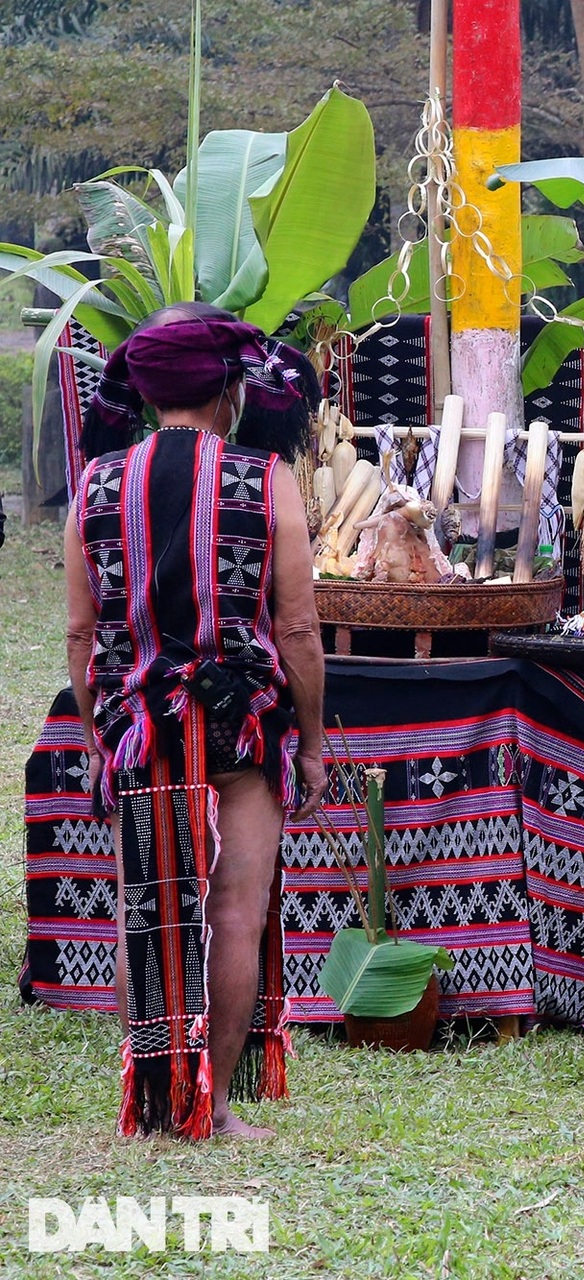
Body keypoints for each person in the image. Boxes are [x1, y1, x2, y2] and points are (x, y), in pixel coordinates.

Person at [65, 304, 327, 1140]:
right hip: (242, 724)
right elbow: (297, 628)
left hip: (141, 725)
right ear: (228, 391)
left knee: (148, 910)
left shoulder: (96, 483)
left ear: (146, 393)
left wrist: (99, 735)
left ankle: (154, 1104)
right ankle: (213, 1109)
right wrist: (313, 744)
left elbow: (81, 634)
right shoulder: (266, 478)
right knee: (237, 914)